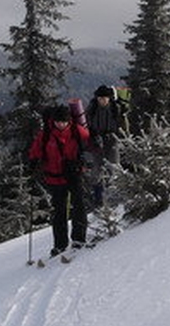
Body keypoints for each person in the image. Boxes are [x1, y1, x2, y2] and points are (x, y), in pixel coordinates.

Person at [28, 105, 91, 257]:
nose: (61, 124)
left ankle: (78, 239)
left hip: (74, 176)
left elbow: (90, 144)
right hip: (54, 178)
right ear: (53, 121)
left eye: (64, 122)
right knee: (58, 213)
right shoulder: (45, 135)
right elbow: (34, 151)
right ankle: (60, 244)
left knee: (79, 207)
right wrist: (32, 164)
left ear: (69, 120)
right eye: (58, 122)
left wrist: (84, 162)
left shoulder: (77, 131)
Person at [85, 85, 128, 206]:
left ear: (109, 98)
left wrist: (117, 135)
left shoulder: (116, 108)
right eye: (100, 98)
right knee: (96, 170)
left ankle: (114, 197)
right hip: (96, 141)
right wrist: (93, 136)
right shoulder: (92, 108)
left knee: (114, 167)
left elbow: (122, 126)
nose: (102, 100)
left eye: (104, 98)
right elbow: (87, 125)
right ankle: (98, 199)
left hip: (112, 140)